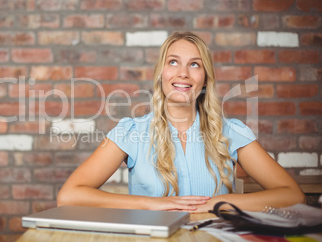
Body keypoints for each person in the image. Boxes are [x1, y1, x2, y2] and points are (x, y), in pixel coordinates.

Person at [57, 31, 305, 212]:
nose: (183, 73)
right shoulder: (131, 132)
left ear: (205, 79)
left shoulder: (232, 132)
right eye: (173, 62)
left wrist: (213, 204)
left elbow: (293, 196)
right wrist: (153, 205)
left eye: (194, 65)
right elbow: (69, 195)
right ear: (161, 74)